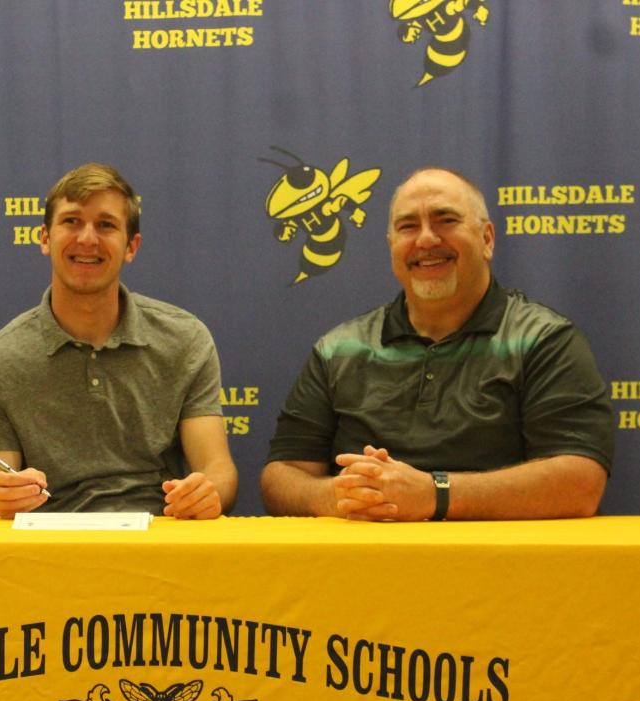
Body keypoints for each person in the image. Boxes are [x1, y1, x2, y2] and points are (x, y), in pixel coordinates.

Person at [261, 167, 613, 521]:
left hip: (498, 568)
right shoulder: (339, 348)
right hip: (362, 567)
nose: (426, 240)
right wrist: (332, 496)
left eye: (445, 220)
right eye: (408, 226)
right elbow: (282, 477)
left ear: (487, 239)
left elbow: (581, 483)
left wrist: (435, 494)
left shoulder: (545, 340)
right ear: (392, 246)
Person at [0, 163, 237, 519]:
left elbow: (218, 469)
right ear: (45, 238)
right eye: (72, 222)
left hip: (160, 537)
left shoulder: (185, 339)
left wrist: (207, 491)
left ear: (131, 246)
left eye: (106, 225)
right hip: (46, 551)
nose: (87, 239)